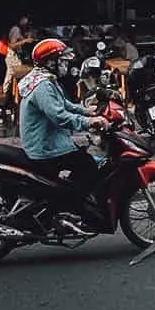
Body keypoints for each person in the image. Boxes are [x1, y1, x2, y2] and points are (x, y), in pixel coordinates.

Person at [19, 38, 110, 221]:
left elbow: (63, 104)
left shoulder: (43, 78)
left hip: (45, 141)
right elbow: (59, 116)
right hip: (45, 147)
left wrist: (85, 110)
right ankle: (68, 205)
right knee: (89, 167)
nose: (66, 65)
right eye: (63, 61)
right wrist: (89, 121)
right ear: (51, 62)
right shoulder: (43, 86)